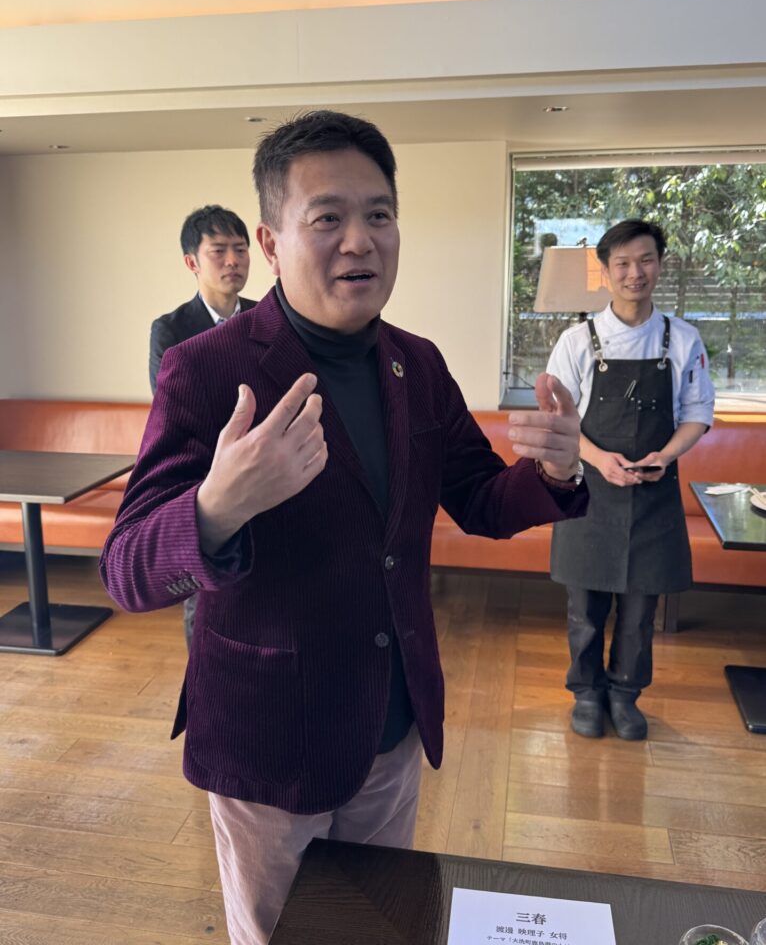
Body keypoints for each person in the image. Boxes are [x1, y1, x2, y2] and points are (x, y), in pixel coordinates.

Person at [101, 110, 587, 945]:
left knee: (378, 927)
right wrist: (221, 505)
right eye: (327, 217)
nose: (360, 241)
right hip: (269, 741)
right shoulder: (206, 369)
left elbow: (478, 499)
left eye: (379, 214)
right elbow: (125, 569)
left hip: (392, 725)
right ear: (270, 242)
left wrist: (554, 473)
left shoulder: (416, 362)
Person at [546, 219, 715, 742]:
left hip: (654, 492)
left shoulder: (682, 339)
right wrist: (601, 460)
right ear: (605, 271)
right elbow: (560, 422)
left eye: (645, 260)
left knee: (641, 611)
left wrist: (666, 455)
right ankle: (587, 693)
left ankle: (624, 694)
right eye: (622, 263)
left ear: (660, 265)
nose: (634, 273)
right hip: (589, 493)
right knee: (585, 608)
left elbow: (698, 413)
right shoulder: (577, 341)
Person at [149, 204, 256, 647]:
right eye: (219, 250)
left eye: (241, 249)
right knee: (207, 594)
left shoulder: (266, 317)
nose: (233, 260)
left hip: (266, 468)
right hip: (205, 478)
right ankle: (205, 672)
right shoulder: (172, 330)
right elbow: (174, 412)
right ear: (192, 262)